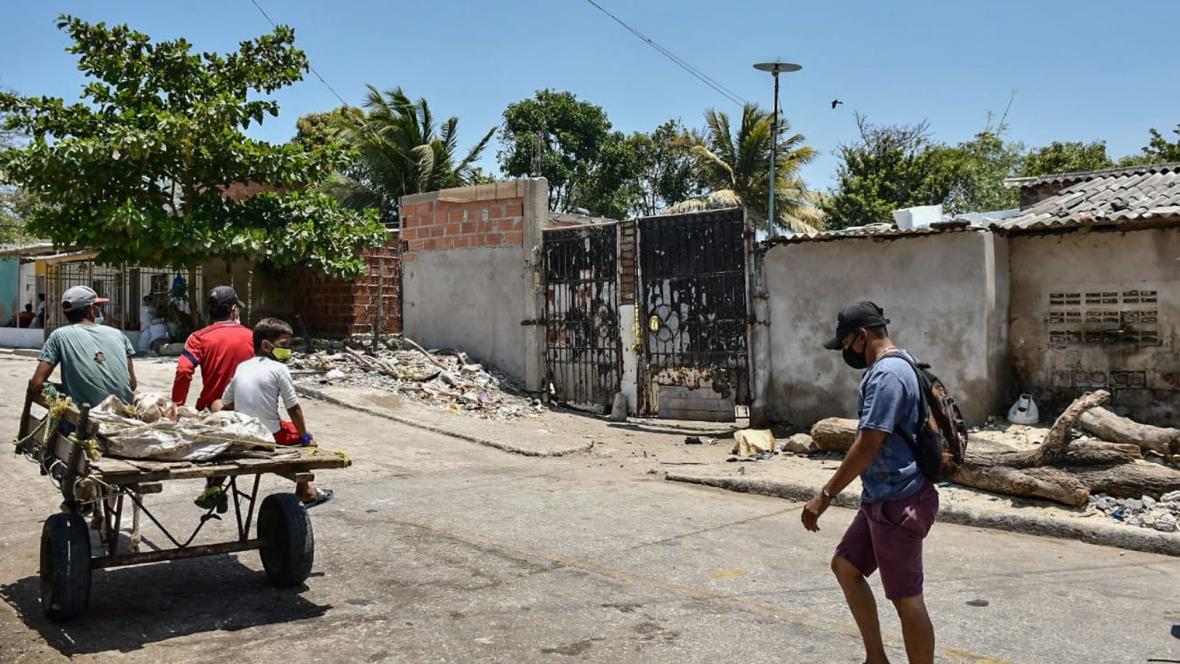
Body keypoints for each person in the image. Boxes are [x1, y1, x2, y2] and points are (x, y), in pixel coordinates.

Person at [801, 301, 938, 664]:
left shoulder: (887, 374)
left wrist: (825, 495)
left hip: (898, 501)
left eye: (846, 344)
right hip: (882, 497)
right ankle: (876, 659)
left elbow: (868, 443)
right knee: (845, 566)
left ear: (862, 336)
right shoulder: (901, 364)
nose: (846, 353)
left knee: (907, 600)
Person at [217, 317, 332, 507]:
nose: (288, 350)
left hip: (243, 432)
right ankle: (305, 491)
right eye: (284, 345)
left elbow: (226, 403)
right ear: (266, 345)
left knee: (291, 430)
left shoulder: (242, 366)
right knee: (309, 441)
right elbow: (294, 408)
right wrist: (305, 437)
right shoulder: (280, 368)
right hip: (270, 435)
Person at [28, 286, 137, 409]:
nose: (99, 311)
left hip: (84, 414)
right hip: (124, 412)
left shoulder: (59, 335)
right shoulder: (119, 334)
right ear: (91, 310)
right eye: (97, 307)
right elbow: (132, 385)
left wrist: (61, 389)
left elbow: (37, 383)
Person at [171, 286, 254, 410]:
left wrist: (177, 404)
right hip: (250, 407)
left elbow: (183, 370)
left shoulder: (198, 338)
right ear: (233, 310)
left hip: (212, 409)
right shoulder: (253, 336)